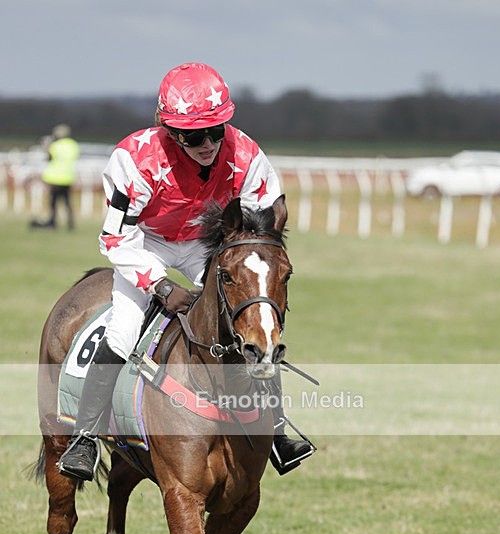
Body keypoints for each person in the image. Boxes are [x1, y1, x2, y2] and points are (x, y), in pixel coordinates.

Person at [58, 62, 315, 482]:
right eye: (195, 136)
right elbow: (114, 240)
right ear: (168, 129)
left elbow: (263, 222)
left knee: (253, 322)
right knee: (123, 331)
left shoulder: (246, 153)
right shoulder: (133, 158)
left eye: (216, 131)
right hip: (145, 243)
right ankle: (84, 438)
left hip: (206, 244)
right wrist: (158, 286)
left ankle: (278, 430)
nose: (208, 144)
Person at [31, 124, 79, 229]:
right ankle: (70, 224)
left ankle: (53, 222)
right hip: (68, 177)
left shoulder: (55, 145)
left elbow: (49, 158)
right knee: (67, 202)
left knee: (53, 203)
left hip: (55, 178)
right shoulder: (73, 145)